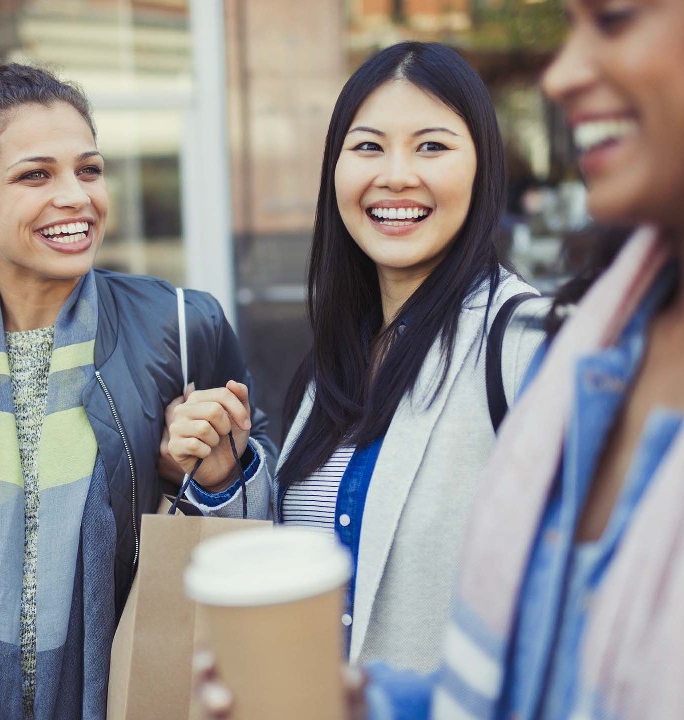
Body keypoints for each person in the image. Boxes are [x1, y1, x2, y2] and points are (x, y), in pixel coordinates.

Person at [294, 0, 684, 717]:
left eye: (612, 19)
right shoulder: (611, 340)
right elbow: (552, 684)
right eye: (367, 147)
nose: (561, 75)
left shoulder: (533, 347)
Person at [0, 63, 275, 719]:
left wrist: (212, 471)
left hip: (131, 685)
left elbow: (260, 516)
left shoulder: (182, 325)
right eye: (35, 175)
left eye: (89, 170)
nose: (76, 196)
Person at [167, 41, 548, 675]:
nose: (395, 175)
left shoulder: (527, 343)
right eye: (368, 146)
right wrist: (220, 476)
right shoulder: (331, 367)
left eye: (432, 146)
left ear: (483, 167)